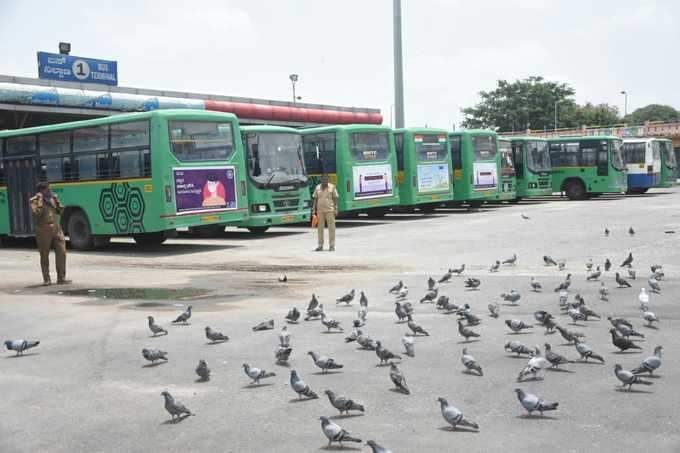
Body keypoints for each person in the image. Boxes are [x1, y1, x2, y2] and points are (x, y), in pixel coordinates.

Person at [30, 182, 70, 285]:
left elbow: (60, 211)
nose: (50, 190)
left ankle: (61, 278)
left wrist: (57, 201)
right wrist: (40, 201)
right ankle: (46, 279)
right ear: (42, 190)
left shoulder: (51, 199)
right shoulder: (34, 200)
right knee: (44, 254)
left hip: (56, 228)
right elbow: (36, 214)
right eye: (48, 189)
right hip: (43, 229)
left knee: (62, 252)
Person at [312, 174, 339, 251]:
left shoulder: (332, 187)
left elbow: (335, 198)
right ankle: (320, 246)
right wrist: (314, 209)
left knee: (332, 229)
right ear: (321, 180)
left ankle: (332, 246)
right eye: (323, 179)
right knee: (320, 229)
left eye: (326, 179)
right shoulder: (317, 187)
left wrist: (336, 208)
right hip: (320, 211)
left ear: (328, 179)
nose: (325, 181)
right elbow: (315, 199)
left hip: (330, 210)